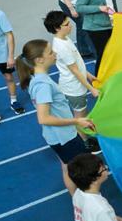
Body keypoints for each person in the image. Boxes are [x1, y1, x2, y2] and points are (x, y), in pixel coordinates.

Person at [15, 39, 96, 191]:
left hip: (57, 136)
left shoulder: (36, 79)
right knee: (82, 171)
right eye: (51, 52)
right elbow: (43, 118)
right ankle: (85, 201)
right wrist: (77, 121)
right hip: (65, 138)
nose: (55, 54)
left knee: (67, 167)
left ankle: (77, 202)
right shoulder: (43, 85)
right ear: (39, 60)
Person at [42, 11, 101, 153]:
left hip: (76, 85)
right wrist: (90, 88)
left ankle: (84, 137)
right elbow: (74, 70)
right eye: (66, 24)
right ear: (57, 28)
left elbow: (78, 64)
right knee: (80, 116)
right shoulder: (61, 47)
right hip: (74, 88)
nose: (70, 26)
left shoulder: (65, 39)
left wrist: (89, 75)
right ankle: (85, 141)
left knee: (82, 113)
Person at [75, 0, 122, 76]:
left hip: (111, 23)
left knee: (114, 52)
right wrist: (99, 8)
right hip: (96, 27)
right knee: (103, 55)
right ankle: (99, 80)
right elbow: (79, 7)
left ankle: (113, 76)